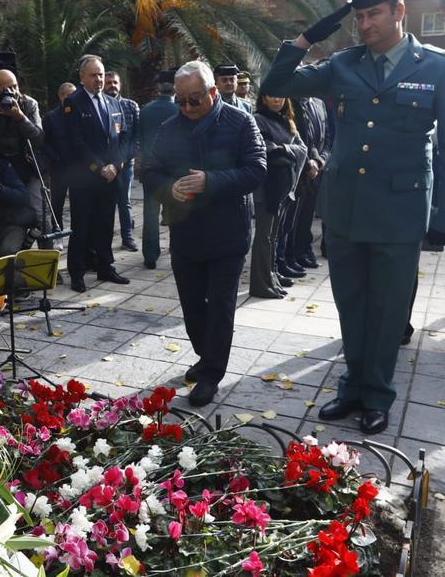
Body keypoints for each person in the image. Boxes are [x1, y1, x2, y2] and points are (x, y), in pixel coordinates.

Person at [260, 0, 445, 434]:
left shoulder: (437, 67)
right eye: (358, 17)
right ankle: (352, 386)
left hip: (400, 213)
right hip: (345, 209)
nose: (365, 25)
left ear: (400, 10)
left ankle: (377, 393)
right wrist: (306, 38)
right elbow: (276, 86)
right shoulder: (342, 64)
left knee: (389, 310)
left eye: (374, 14)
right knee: (351, 304)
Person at [142, 61, 266, 406]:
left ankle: (212, 374)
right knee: (193, 306)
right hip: (186, 232)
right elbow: (150, 171)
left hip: (228, 233)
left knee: (221, 307)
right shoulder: (169, 127)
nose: (186, 108)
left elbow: (257, 170)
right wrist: (170, 189)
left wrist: (210, 181)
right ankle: (205, 355)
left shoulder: (241, 122)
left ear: (213, 92)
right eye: (180, 101)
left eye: (194, 100)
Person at [64, 55, 133, 292]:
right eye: (93, 75)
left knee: (106, 224)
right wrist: (98, 167)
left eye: (101, 74)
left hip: (111, 177)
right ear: (82, 78)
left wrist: (115, 166)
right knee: (81, 226)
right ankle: (77, 272)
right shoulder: (73, 102)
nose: (99, 80)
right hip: (85, 178)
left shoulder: (114, 104)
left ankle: (105, 266)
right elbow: (76, 142)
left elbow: (123, 138)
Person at [249, 94, 308, 298]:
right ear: (263, 98)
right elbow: (265, 149)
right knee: (264, 236)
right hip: (267, 187)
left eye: (281, 96)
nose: (277, 100)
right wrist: (285, 152)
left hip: (285, 186)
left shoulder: (288, 121)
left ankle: (271, 275)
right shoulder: (258, 119)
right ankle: (260, 283)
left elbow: (302, 148)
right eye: (272, 96)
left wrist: (284, 150)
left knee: (274, 235)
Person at [0, 69, 45, 232]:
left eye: (15, 87)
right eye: (6, 89)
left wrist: (20, 116)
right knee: (1, 210)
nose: (12, 92)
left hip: (27, 163)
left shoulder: (28, 103)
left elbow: (38, 138)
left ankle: (45, 252)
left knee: (40, 211)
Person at [285, 96, 332, 270]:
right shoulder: (291, 103)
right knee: (293, 219)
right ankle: (289, 256)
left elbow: (327, 135)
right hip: (300, 169)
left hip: (317, 168)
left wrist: (320, 161)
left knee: (307, 216)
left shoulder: (319, 103)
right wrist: (309, 163)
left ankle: (303, 252)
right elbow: (297, 138)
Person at [139, 71, 178, 269]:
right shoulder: (180, 109)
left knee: (150, 214)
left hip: (150, 169)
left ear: (157, 88)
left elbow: (141, 140)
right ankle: (176, 250)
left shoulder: (145, 110)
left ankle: (150, 255)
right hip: (173, 171)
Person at [104, 71, 141, 252]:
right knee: (106, 202)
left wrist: (123, 161)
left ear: (121, 85)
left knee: (124, 201)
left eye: (115, 82)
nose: (112, 85)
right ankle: (104, 240)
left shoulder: (131, 106)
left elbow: (136, 138)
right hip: (105, 165)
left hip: (126, 163)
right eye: (109, 82)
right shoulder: (101, 106)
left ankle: (127, 236)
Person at [42, 82, 76, 230]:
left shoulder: (80, 113)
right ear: (61, 96)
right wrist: (55, 157)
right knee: (57, 203)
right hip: (58, 167)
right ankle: (58, 230)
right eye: (70, 95)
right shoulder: (51, 117)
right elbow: (44, 142)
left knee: (79, 202)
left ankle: (78, 231)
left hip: (77, 167)